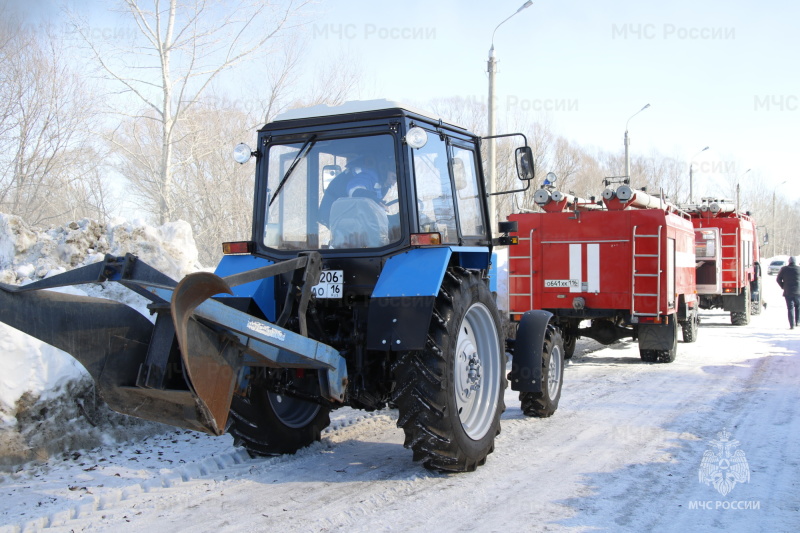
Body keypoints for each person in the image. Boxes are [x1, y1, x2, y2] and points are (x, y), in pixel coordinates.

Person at [776, 256, 800, 329]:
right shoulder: (799, 269)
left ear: (789, 261)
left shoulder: (784, 269)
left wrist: (783, 286)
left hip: (788, 291)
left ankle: (792, 325)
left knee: (790, 308)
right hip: (798, 292)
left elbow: (778, 279)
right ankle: (798, 321)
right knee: (798, 307)